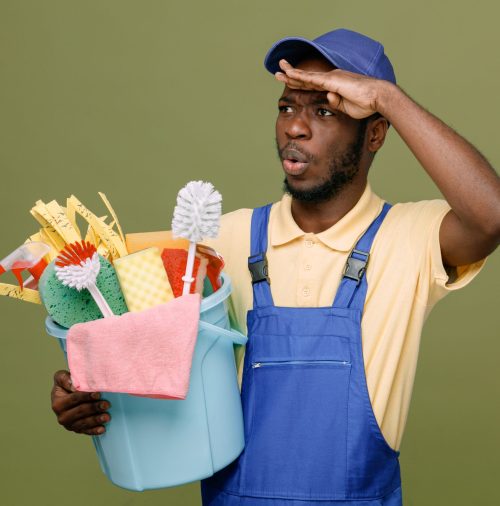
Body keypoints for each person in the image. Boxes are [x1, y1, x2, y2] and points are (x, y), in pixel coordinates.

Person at [51, 28, 500, 505]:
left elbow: (490, 216)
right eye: (287, 107)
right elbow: (154, 356)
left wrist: (385, 96)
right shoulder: (220, 240)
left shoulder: (409, 238)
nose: (295, 128)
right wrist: (91, 394)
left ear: (375, 132)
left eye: (325, 110)